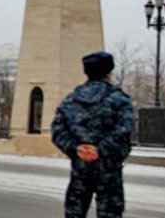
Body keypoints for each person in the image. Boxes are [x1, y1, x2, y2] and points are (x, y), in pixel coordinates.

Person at [52, 51, 134, 218]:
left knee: (75, 212)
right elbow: (125, 128)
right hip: (109, 167)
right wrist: (101, 149)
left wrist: (76, 149)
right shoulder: (118, 99)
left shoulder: (71, 99)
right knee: (110, 212)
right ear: (109, 72)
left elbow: (57, 131)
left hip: (80, 167)